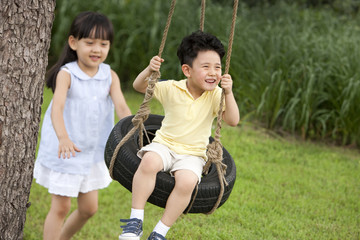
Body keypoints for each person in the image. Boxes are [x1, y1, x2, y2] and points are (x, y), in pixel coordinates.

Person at [118, 30, 240, 240]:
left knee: (187, 182)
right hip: (164, 145)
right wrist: (149, 69)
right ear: (187, 70)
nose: (213, 72)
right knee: (148, 163)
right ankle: (135, 221)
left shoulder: (216, 95)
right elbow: (138, 86)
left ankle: (159, 232)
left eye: (217, 67)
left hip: (192, 155)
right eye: (206, 67)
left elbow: (233, 120)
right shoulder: (171, 88)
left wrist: (228, 93)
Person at [33, 11, 131, 240]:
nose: (97, 49)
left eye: (103, 44)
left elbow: (123, 108)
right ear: (73, 42)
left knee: (89, 209)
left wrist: (133, 134)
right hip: (65, 150)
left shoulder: (109, 75)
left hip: (93, 152)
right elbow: (56, 109)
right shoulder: (67, 75)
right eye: (90, 43)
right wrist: (63, 137)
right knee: (61, 207)